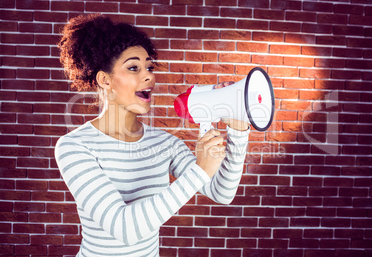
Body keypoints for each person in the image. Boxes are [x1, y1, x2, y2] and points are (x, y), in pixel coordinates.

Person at [55, 14, 250, 257]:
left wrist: (238, 128)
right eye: (134, 68)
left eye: (149, 67)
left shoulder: (165, 144)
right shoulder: (74, 146)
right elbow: (123, 228)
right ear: (104, 80)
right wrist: (199, 171)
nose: (149, 76)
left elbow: (222, 192)